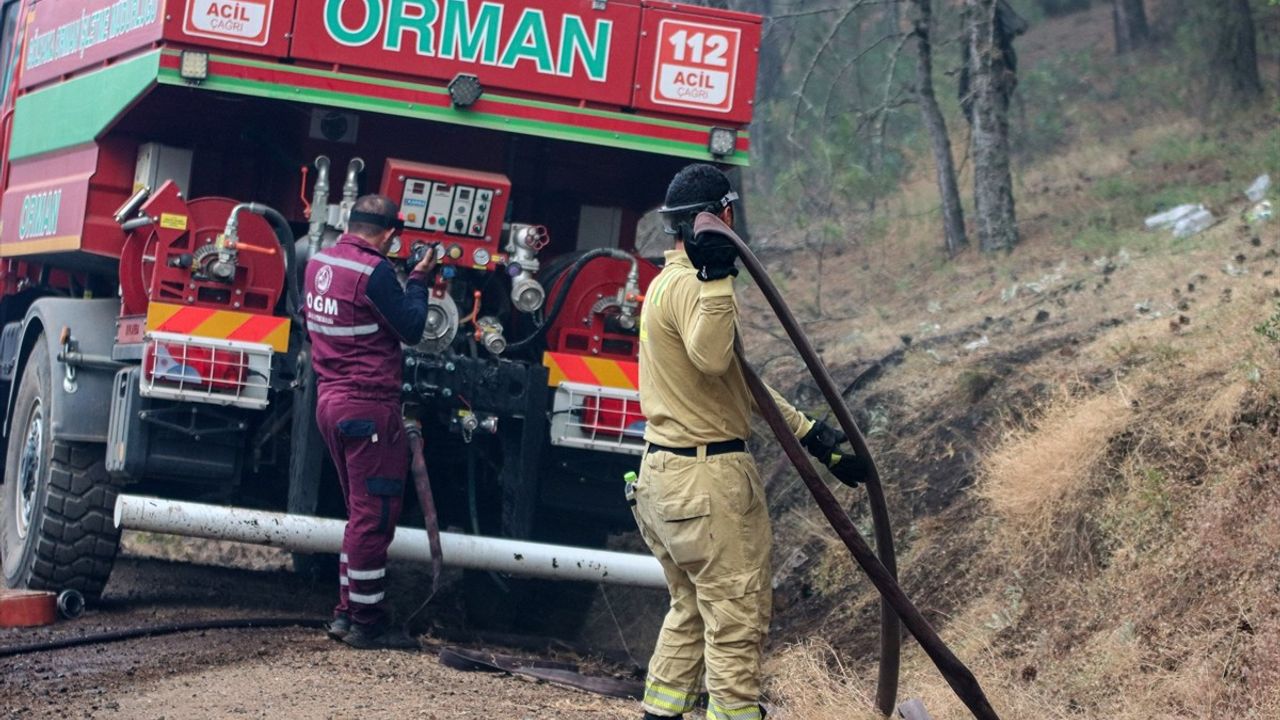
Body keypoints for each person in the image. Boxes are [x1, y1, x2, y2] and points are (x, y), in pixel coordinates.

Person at [632, 164, 871, 720]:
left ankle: (659, 713)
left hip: (665, 479)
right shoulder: (696, 286)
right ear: (720, 218)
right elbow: (714, 357)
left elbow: (734, 382)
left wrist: (814, 435)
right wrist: (718, 280)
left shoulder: (664, 284)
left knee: (691, 611)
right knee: (736, 618)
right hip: (706, 483)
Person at [303, 194, 437, 650]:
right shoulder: (373, 271)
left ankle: (347, 613)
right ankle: (368, 622)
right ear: (389, 235)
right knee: (374, 518)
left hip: (330, 402)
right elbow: (413, 327)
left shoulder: (318, 261)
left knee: (358, 515)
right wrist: (419, 277)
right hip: (368, 407)